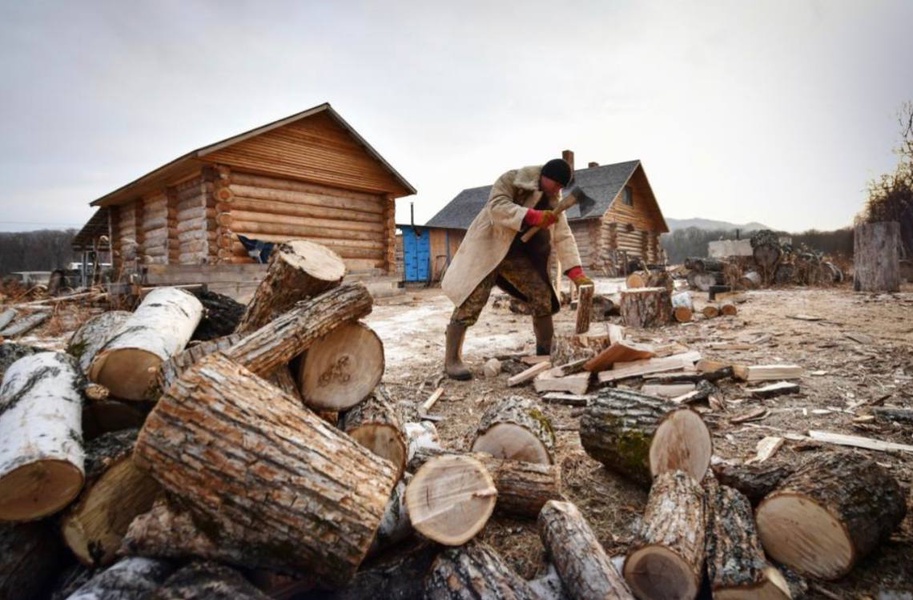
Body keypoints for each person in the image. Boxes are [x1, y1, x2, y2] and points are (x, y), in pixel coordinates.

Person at [440, 158, 593, 380]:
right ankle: (452, 359)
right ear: (545, 176)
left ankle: (545, 351)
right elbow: (497, 207)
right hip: (489, 249)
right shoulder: (512, 180)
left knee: (541, 295)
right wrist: (533, 216)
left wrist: (576, 273)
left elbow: (563, 235)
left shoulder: (553, 199)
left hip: (516, 256)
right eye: (557, 185)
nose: (559, 190)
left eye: (562, 188)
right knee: (471, 301)